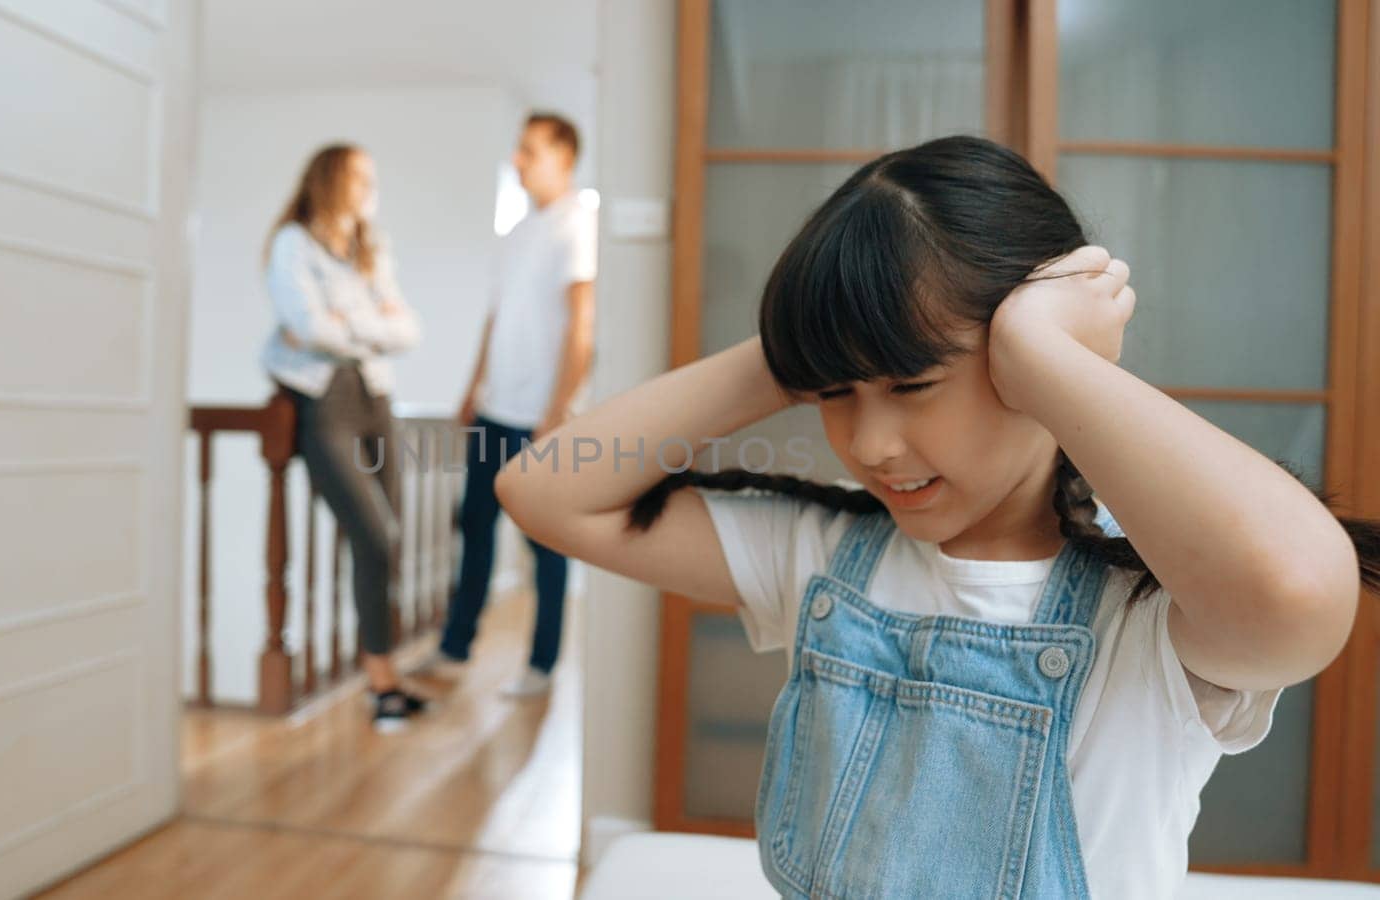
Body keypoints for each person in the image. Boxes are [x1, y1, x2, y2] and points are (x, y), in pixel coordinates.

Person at [493, 136, 1380, 896]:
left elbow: (1300, 592)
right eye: (834, 394)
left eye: (913, 384)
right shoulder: (827, 558)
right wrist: (799, 344)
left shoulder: (1150, 619)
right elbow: (543, 489)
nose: (871, 443)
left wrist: (1048, 352)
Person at [420, 112, 597, 697]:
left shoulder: (577, 225)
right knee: (475, 523)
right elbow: (497, 319)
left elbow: (582, 325)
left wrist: (558, 409)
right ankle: (455, 646)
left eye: (530, 151)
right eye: (518, 150)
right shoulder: (517, 232)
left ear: (563, 158)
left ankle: (541, 664)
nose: (517, 161)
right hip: (496, 408)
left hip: (539, 417)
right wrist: (473, 388)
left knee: (544, 538)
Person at [262, 144, 425, 732]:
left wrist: (346, 328)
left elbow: (408, 329)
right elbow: (306, 328)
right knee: (374, 533)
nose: (367, 188)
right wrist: (370, 327)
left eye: (371, 179)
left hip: (376, 398)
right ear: (330, 180)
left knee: (390, 536)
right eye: (358, 177)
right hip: (323, 403)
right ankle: (380, 679)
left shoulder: (370, 250)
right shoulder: (293, 246)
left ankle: (383, 670)